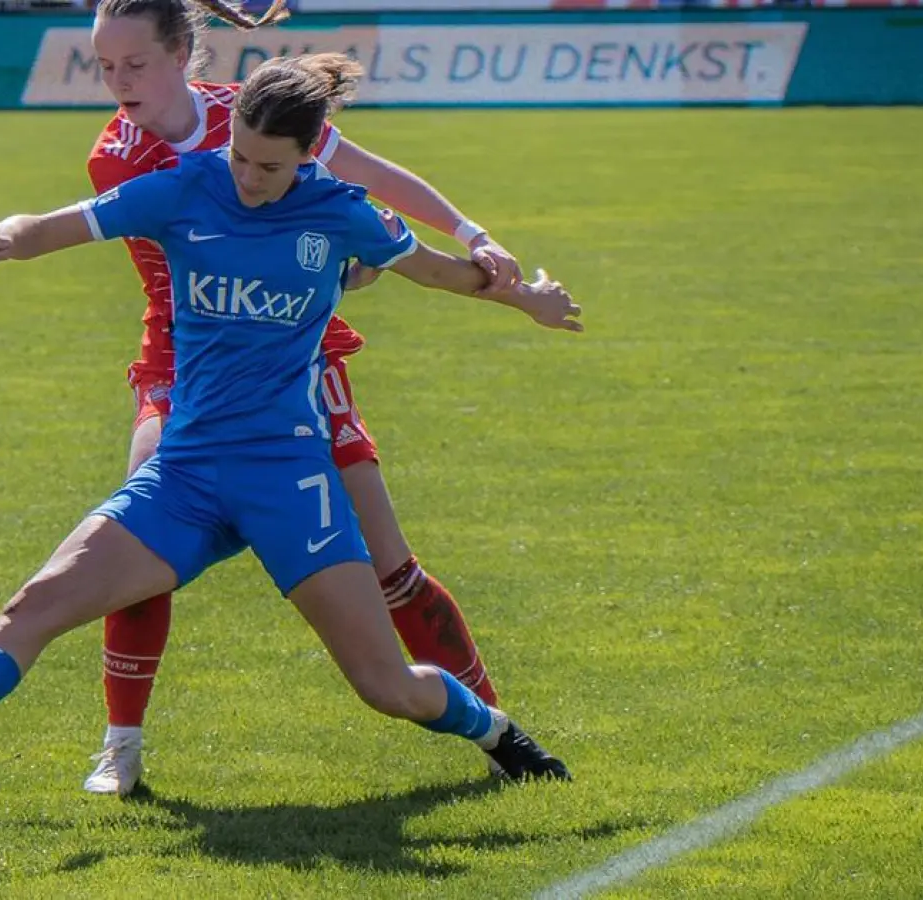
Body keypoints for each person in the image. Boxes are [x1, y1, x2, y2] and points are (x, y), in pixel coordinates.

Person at [0, 54, 577, 792]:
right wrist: (7, 234)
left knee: (386, 686)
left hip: (289, 479)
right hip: (185, 474)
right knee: (36, 606)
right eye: (240, 157)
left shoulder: (343, 214)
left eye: (271, 166)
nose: (249, 177)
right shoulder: (184, 186)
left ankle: (496, 732)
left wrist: (525, 296)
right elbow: (64, 221)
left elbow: (442, 275)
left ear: (309, 155)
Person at [78, 0, 568, 795]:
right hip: (184, 367)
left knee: (392, 569)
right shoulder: (113, 159)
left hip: (301, 360)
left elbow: (370, 182)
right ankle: (120, 747)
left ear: (181, 55)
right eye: (104, 65)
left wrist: (470, 233)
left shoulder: (250, 116)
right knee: (142, 546)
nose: (116, 82)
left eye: (132, 64)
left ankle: (492, 724)